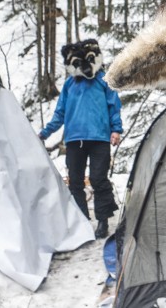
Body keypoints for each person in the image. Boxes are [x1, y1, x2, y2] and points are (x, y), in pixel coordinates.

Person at [40, 39, 123, 239]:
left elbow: (114, 105)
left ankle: (103, 220)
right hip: (74, 140)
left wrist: (116, 129)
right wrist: (45, 133)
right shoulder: (70, 84)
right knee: (75, 182)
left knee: (98, 178)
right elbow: (60, 113)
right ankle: (83, 222)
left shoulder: (103, 80)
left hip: (99, 138)